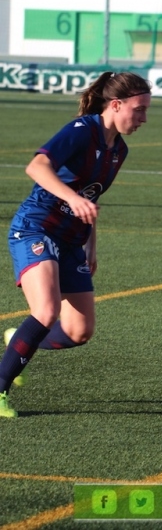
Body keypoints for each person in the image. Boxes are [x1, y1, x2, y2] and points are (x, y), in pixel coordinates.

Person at [0, 71, 151, 419]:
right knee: (46, 311)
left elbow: (89, 197)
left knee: (79, 331)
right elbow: (37, 167)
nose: (143, 118)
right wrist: (72, 199)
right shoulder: (82, 130)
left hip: (73, 241)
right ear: (116, 105)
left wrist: (91, 245)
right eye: (139, 109)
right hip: (36, 228)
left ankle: (17, 341)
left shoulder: (119, 150)